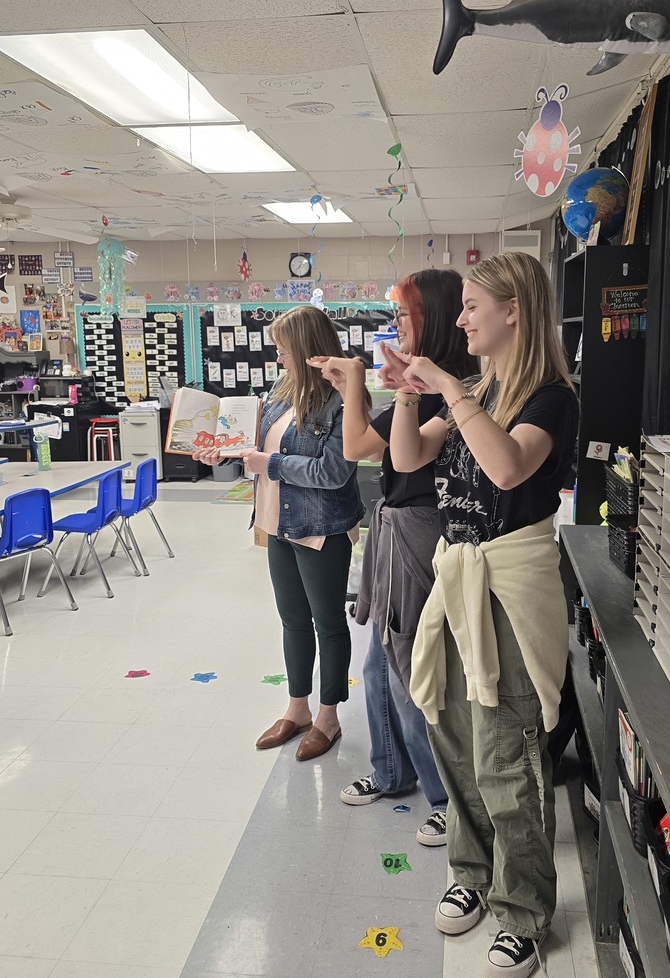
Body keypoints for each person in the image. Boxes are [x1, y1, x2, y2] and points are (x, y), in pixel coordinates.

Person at [382, 252, 578, 977]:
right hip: (458, 579)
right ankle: (471, 872)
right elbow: (406, 459)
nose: (459, 319)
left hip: (511, 591)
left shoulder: (551, 398)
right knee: (456, 740)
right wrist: (409, 392)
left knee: (509, 757)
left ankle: (522, 910)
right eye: (460, 306)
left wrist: (446, 389)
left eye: (471, 305)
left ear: (514, 311)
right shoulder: (475, 390)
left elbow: (505, 469)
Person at [309, 269, 477, 847]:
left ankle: (446, 799)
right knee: (382, 657)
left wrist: (357, 382)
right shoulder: (426, 385)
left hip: (423, 532)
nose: (397, 327)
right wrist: (357, 382)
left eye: (405, 316)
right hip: (397, 526)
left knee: (413, 667)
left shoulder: (454, 387)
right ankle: (392, 772)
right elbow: (368, 446)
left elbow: (364, 450)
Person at [195, 305, 364, 761]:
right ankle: (298, 708)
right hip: (276, 522)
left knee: (328, 623)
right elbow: (261, 448)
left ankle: (328, 717)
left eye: (283, 348)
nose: (277, 357)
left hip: (321, 526)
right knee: (292, 619)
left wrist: (268, 464)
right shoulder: (281, 390)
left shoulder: (342, 398)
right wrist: (227, 453)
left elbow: (332, 471)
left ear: (308, 349)